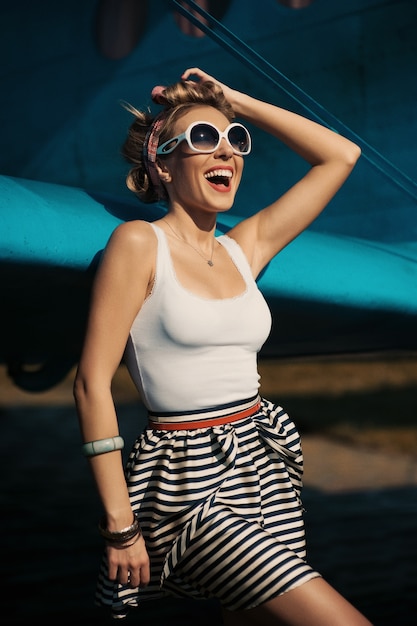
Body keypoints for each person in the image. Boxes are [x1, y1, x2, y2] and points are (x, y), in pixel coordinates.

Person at [73, 67, 370, 625]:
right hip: (186, 478)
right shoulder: (139, 243)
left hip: (263, 457)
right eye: (204, 139)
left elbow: (341, 156)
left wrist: (232, 102)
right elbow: (91, 384)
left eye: (236, 142)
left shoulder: (244, 248)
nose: (226, 153)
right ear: (161, 162)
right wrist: (120, 526)